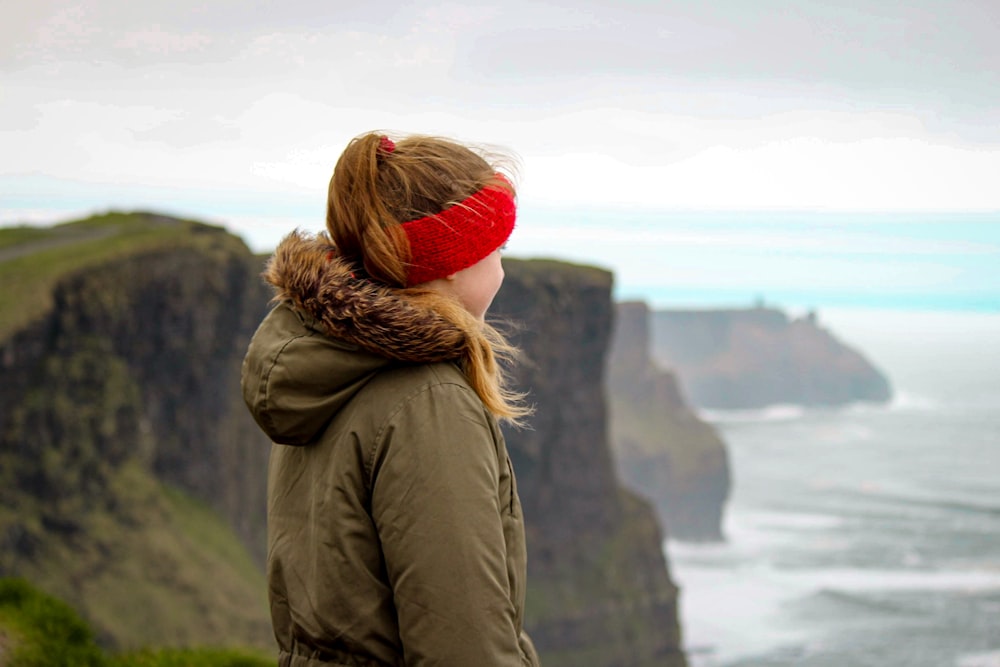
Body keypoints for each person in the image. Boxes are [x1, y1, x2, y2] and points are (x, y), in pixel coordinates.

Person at [241, 131, 541, 666]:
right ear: (452, 259)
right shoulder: (429, 402)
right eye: (497, 249)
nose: (503, 267)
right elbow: (463, 645)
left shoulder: (326, 363)